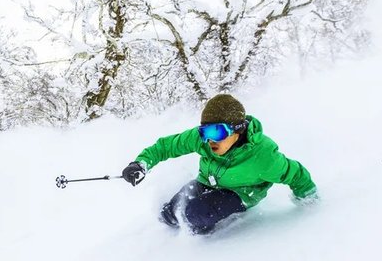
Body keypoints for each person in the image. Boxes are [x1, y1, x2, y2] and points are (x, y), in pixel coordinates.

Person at [121, 94, 317, 235]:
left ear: (237, 130)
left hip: (240, 193)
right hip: (207, 180)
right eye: (205, 132)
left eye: (217, 132)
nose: (209, 140)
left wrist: (309, 198)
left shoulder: (262, 156)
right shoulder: (203, 140)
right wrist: (140, 163)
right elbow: (166, 146)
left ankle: (208, 236)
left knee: (193, 216)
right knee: (169, 215)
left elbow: (295, 173)